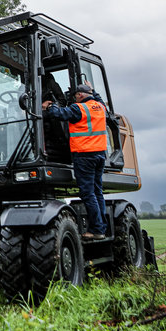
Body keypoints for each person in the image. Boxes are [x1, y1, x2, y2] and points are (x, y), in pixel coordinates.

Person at [42, 83, 108, 240]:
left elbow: (59, 114)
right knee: (97, 192)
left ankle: (97, 230)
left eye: (76, 95)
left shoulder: (79, 108)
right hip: (99, 155)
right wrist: (93, 90)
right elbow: (99, 99)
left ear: (80, 95)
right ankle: (101, 228)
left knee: (88, 194)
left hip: (85, 155)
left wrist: (48, 107)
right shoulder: (100, 106)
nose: (75, 98)